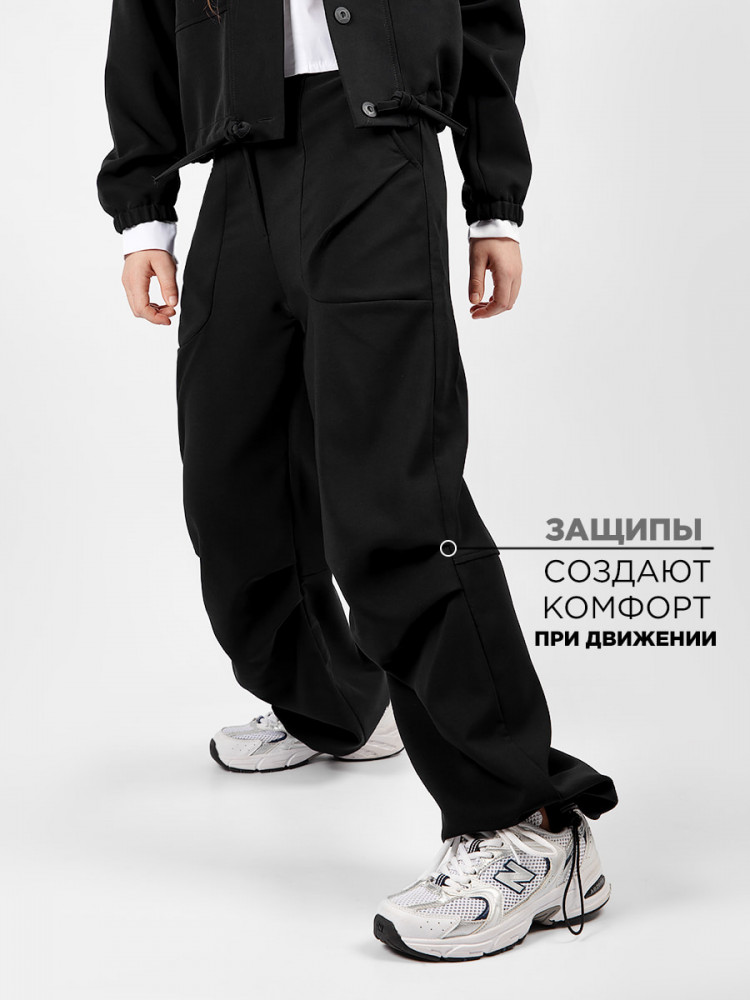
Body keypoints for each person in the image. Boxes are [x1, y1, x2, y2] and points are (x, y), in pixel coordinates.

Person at [97, 0, 618, 961]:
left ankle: (527, 823)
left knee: (394, 504)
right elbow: (144, 21)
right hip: (240, 160)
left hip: (377, 149)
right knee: (232, 487)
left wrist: (494, 198)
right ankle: (333, 705)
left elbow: (483, 18)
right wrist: (143, 212)